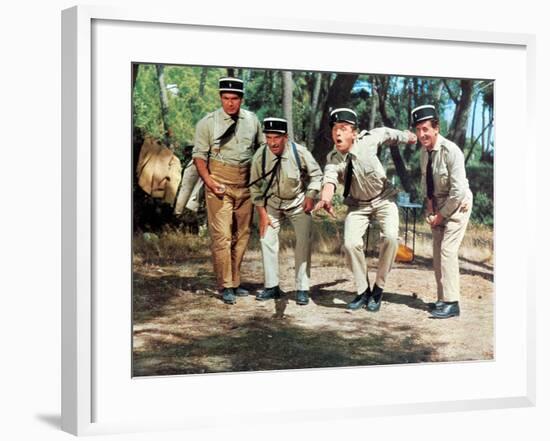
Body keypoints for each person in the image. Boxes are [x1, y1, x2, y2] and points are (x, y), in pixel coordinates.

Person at [313, 108, 417, 312]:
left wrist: (407, 137)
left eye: (343, 129)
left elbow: (388, 133)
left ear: (354, 133)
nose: (338, 133)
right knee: (351, 244)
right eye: (335, 129)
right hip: (358, 205)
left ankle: (378, 289)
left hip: (384, 199)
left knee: (390, 238)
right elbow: (329, 179)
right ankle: (363, 291)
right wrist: (325, 198)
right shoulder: (333, 158)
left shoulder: (368, 140)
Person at [192, 77, 264, 305]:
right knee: (222, 236)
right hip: (219, 185)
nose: (230, 103)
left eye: (234, 99)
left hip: (245, 185)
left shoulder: (252, 120)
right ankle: (225, 286)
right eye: (226, 98)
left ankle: (234, 281)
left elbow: (262, 149)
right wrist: (210, 182)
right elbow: (199, 157)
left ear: (241, 99)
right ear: (220, 97)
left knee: (242, 235)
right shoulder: (208, 123)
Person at [249, 118, 323, 305]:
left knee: (303, 241)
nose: (272, 142)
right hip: (272, 203)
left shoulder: (299, 152)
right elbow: (254, 187)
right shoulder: (261, 155)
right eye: (269, 137)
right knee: (267, 238)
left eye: (277, 137)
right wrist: (263, 215)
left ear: (286, 137)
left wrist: (311, 195)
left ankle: (302, 288)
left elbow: (317, 175)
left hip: (298, 202)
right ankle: (272, 286)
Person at [411, 104, 472, 319]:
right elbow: (426, 183)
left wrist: (440, 216)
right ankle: (442, 299)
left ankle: (452, 303)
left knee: (447, 251)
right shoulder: (424, 154)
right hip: (437, 205)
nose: (421, 134)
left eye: (425, 129)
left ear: (436, 128)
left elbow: (457, 192)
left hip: (458, 204)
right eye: (418, 130)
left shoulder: (451, 151)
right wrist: (430, 209)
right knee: (437, 254)